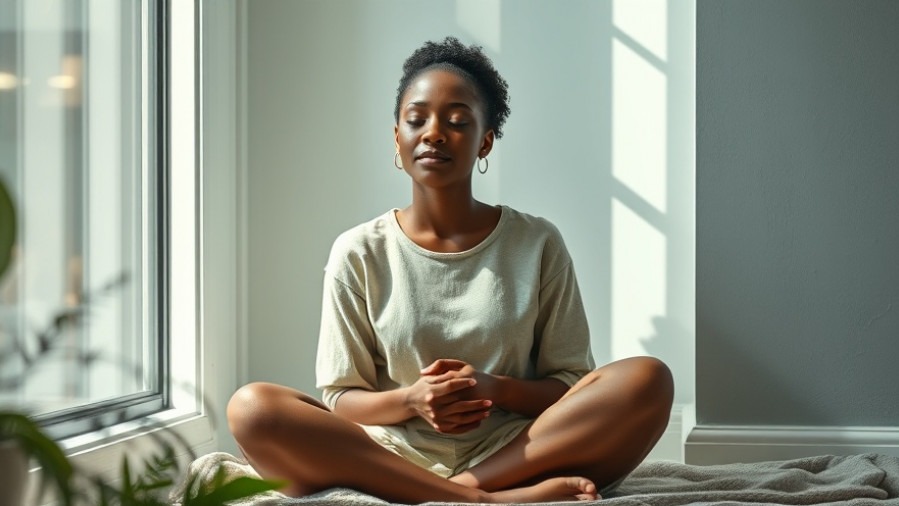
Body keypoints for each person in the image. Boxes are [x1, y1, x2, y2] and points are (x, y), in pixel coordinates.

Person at [227, 36, 674, 504]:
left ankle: (455, 492)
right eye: (416, 120)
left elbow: (568, 386)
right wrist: (411, 400)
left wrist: (494, 389)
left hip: (518, 451)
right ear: (396, 138)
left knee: (648, 379)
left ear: (484, 141)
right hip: (390, 456)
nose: (434, 132)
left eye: (457, 121)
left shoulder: (536, 242)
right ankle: (484, 501)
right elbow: (342, 398)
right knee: (252, 408)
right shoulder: (358, 251)